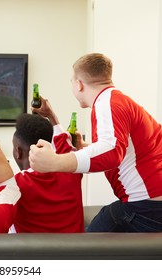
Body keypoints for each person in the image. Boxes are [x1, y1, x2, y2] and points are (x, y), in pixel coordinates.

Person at [29, 53, 162, 232]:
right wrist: (82, 145)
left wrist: (54, 162)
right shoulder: (118, 100)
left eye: (71, 81)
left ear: (79, 84)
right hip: (151, 203)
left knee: (91, 241)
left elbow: (112, 151)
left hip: (147, 206)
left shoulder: (106, 103)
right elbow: (123, 150)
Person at [0, 98, 84, 233]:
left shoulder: (11, 185)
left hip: (30, 254)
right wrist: (52, 117)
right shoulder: (72, 170)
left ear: (18, 151)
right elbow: (65, 144)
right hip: (75, 253)